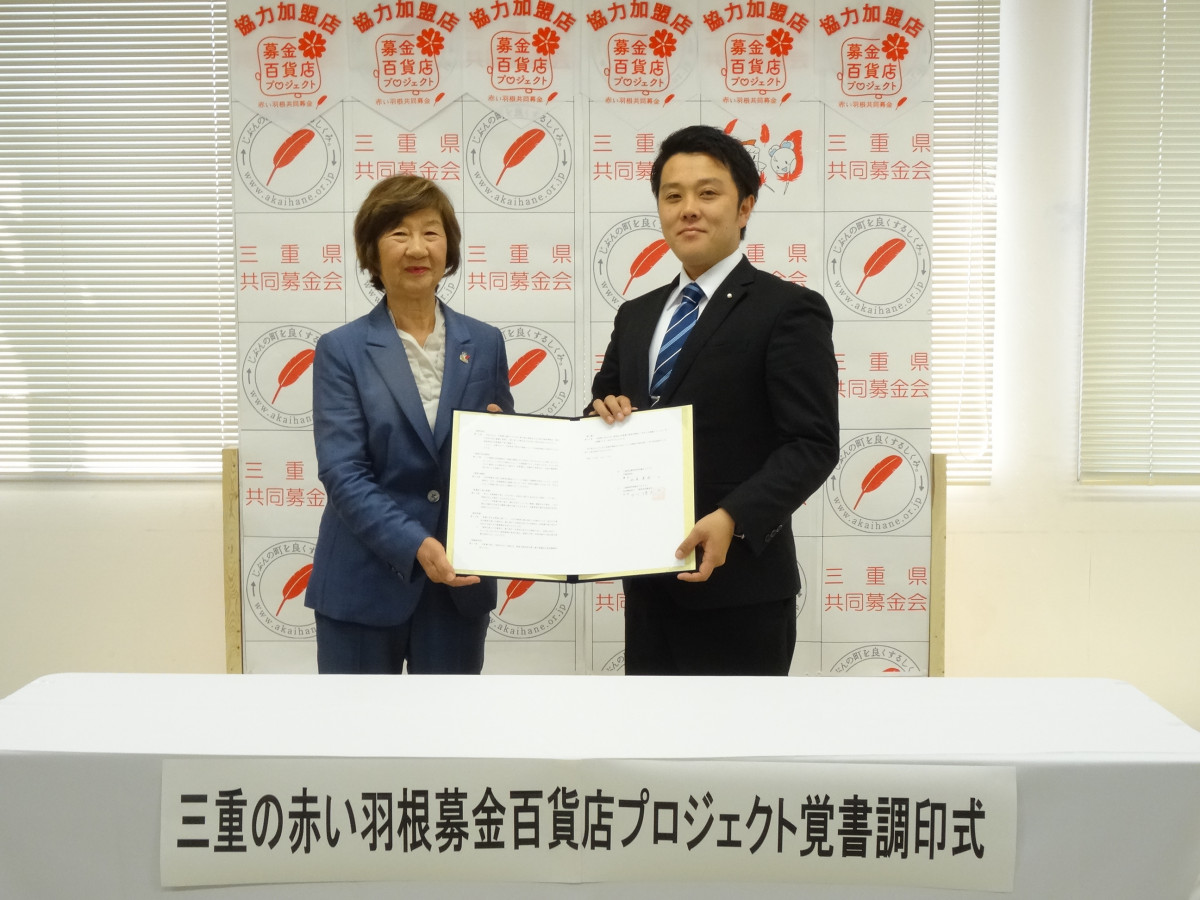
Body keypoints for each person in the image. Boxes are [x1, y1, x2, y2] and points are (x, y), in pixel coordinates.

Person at [589, 124, 840, 676]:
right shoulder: (636, 314)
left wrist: (733, 517)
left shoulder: (788, 309)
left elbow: (813, 443)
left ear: (745, 206)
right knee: (652, 750)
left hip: (742, 588)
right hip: (649, 581)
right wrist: (599, 413)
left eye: (708, 193)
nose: (689, 210)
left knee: (736, 756)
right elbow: (604, 405)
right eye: (672, 196)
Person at [305, 175, 514, 674]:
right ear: (372, 252)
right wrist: (414, 544)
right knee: (356, 742)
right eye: (398, 233)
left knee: (449, 742)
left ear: (450, 247)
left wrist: (503, 443)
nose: (417, 247)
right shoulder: (343, 350)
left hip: (457, 588)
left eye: (431, 232)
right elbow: (343, 472)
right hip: (362, 581)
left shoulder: (484, 343)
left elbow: (500, 453)